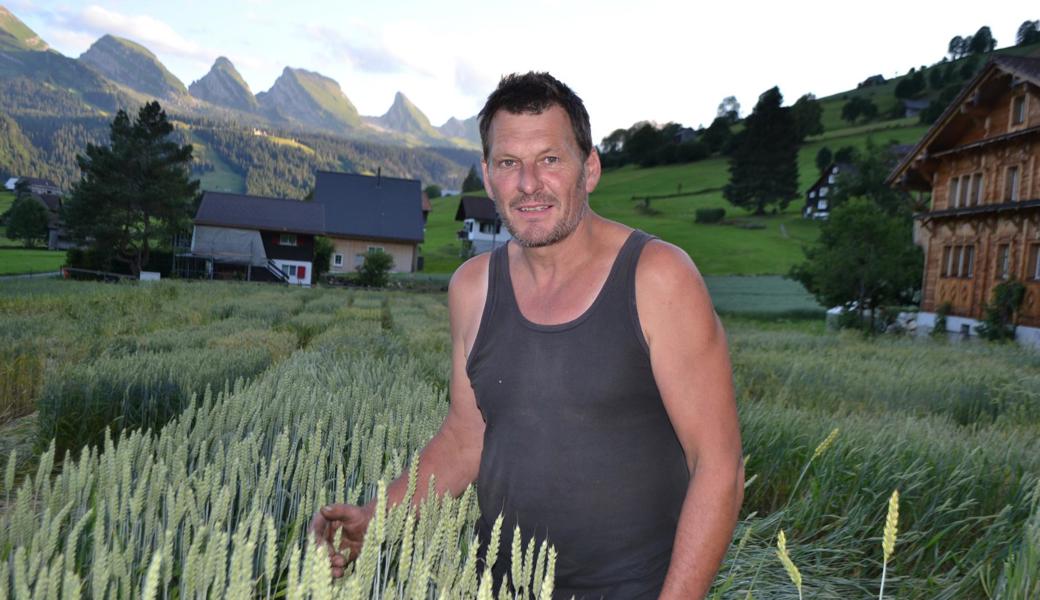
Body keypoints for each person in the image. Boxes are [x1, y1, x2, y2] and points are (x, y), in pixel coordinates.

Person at [311, 72, 744, 599]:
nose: (529, 183)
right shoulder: (471, 288)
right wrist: (373, 519)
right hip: (498, 585)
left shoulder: (658, 278)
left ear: (590, 168)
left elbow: (717, 465)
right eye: (509, 163)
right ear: (489, 178)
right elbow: (465, 440)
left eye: (550, 159)